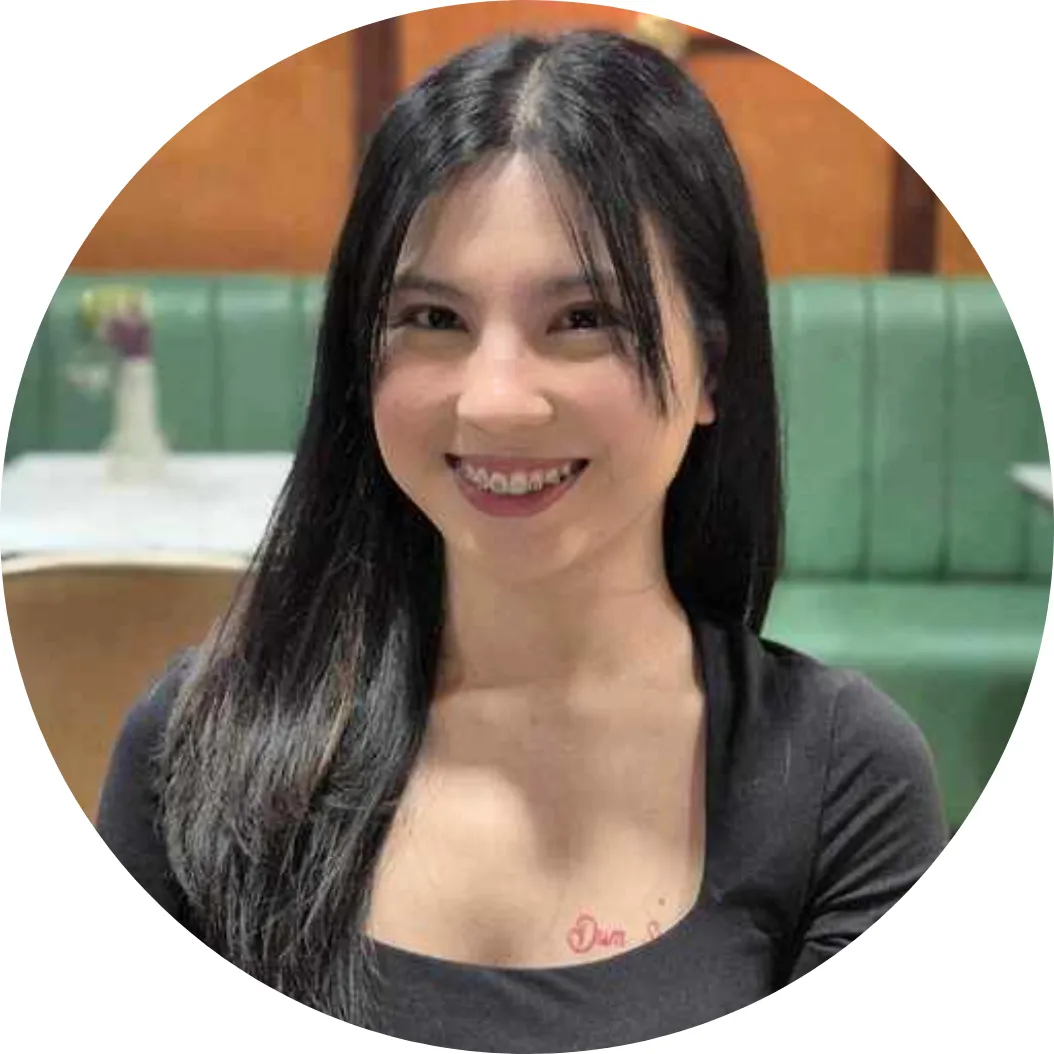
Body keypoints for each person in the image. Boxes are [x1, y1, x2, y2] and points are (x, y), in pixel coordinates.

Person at [96, 29, 947, 1052]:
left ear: (712, 369)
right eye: (432, 317)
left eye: (582, 317)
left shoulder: (841, 779)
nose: (494, 400)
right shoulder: (197, 742)